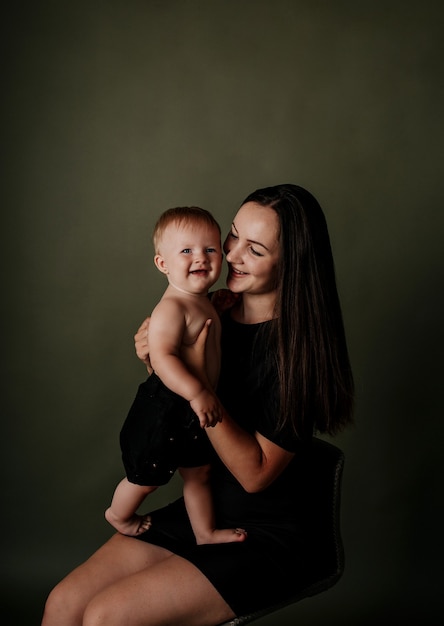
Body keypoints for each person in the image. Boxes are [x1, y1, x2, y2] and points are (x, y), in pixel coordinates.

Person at [41, 184, 354, 626]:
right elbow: (174, 405)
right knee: (63, 604)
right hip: (203, 504)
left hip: (269, 531)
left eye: (256, 249)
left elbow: (255, 475)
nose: (231, 255)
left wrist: (201, 387)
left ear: (292, 265)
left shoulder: (298, 355)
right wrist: (157, 364)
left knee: (106, 617)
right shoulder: (213, 309)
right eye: (233, 235)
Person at [105, 205, 246, 544]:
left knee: (199, 473)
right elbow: (164, 357)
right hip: (167, 409)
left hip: (192, 411)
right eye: (186, 251)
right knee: (147, 478)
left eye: (210, 249)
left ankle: (205, 532)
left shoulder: (200, 300)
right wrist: (199, 394)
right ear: (162, 263)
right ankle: (119, 515)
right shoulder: (171, 308)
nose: (201, 257)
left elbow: (202, 327)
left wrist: (220, 306)